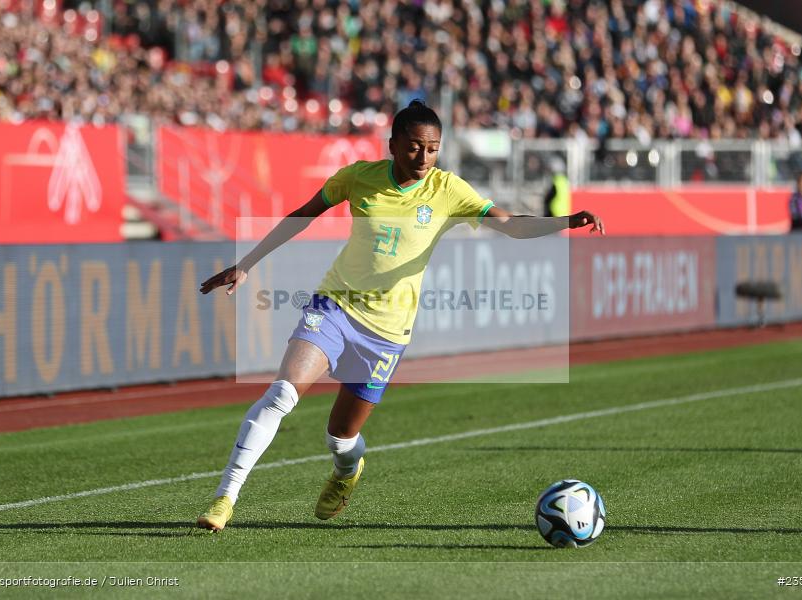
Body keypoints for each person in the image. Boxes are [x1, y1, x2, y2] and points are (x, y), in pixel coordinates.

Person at [195, 100, 604, 532]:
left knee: (341, 437)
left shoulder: (448, 190)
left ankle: (347, 470)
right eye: (414, 147)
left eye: (432, 149)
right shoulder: (358, 178)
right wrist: (248, 262)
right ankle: (225, 498)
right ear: (392, 145)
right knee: (281, 395)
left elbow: (509, 224)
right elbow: (303, 215)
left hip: (387, 334)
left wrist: (565, 221)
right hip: (335, 306)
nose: (424, 158)